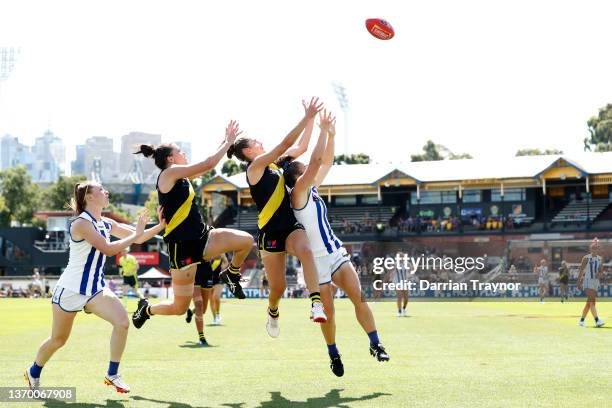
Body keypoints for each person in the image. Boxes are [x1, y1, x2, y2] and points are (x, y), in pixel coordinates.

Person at [24, 181, 165, 393]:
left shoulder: (106, 222)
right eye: (101, 190)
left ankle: (112, 374)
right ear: (89, 197)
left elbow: (140, 235)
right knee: (59, 339)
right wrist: (136, 234)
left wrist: (161, 225)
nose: (106, 192)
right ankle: (33, 372)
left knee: (122, 322)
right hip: (70, 291)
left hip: (95, 289)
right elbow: (109, 249)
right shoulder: (80, 223)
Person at [279, 110, 390, 377]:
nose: (311, 170)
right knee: (328, 311)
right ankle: (333, 353)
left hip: (334, 252)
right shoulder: (297, 193)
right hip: (314, 263)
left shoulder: (310, 188)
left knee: (358, 296)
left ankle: (375, 343)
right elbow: (317, 161)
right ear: (297, 176)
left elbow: (325, 161)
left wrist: (331, 134)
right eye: (305, 170)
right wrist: (321, 130)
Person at [132, 121, 254, 329]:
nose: (184, 153)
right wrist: (228, 143)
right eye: (179, 151)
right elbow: (207, 164)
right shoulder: (168, 174)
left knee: (247, 241)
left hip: (203, 237)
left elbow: (207, 165)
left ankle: (231, 274)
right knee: (179, 308)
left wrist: (226, 141)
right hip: (182, 247)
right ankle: (147, 309)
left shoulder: (183, 177)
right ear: (171, 159)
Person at [227, 97, 327, 337]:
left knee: (306, 250)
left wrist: (311, 119)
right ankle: (272, 311)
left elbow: (301, 147)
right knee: (279, 288)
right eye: (255, 141)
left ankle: (316, 303)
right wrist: (306, 117)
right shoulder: (255, 168)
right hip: (269, 231)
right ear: (249, 151)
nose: (260, 142)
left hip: (290, 225)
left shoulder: (275, 164)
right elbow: (284, 144)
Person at [185, 254, 228, 344]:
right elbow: (185, 258)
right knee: (199, 305)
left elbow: (224, 259)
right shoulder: (191, 242)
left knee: (203, 309)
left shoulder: (214, 245)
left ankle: (191, 312)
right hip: (195, 273)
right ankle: (201, 337)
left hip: (208, 274)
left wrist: (223, 266)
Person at [577, 239, 605, 327]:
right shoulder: (586, 258)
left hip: (595, 282)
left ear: (598, 249)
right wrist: (578, 282)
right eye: (593, 248)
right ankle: (597, 320)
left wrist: (600, 274)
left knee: (590, 303)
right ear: (590, 249)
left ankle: (581, 320)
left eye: (596, 248)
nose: (595, 249)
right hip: (588, 281)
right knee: (592, 301)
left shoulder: (600, 259)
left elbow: (601, 271)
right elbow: (581, 270)